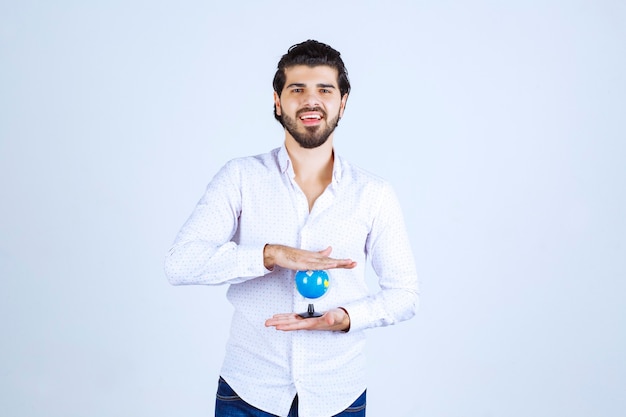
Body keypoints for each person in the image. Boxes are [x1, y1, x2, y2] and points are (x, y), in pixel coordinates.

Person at [164, 39, 419, 417]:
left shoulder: (374, 194)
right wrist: (269, 255)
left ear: (342, 103)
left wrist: (345, 318)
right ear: (277, 101)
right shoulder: (240, 177)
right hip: (248, 391)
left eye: (324, 90)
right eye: (297, 89)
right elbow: (180, 263)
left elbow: (405, 295)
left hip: (338, 394)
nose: (310, 100)